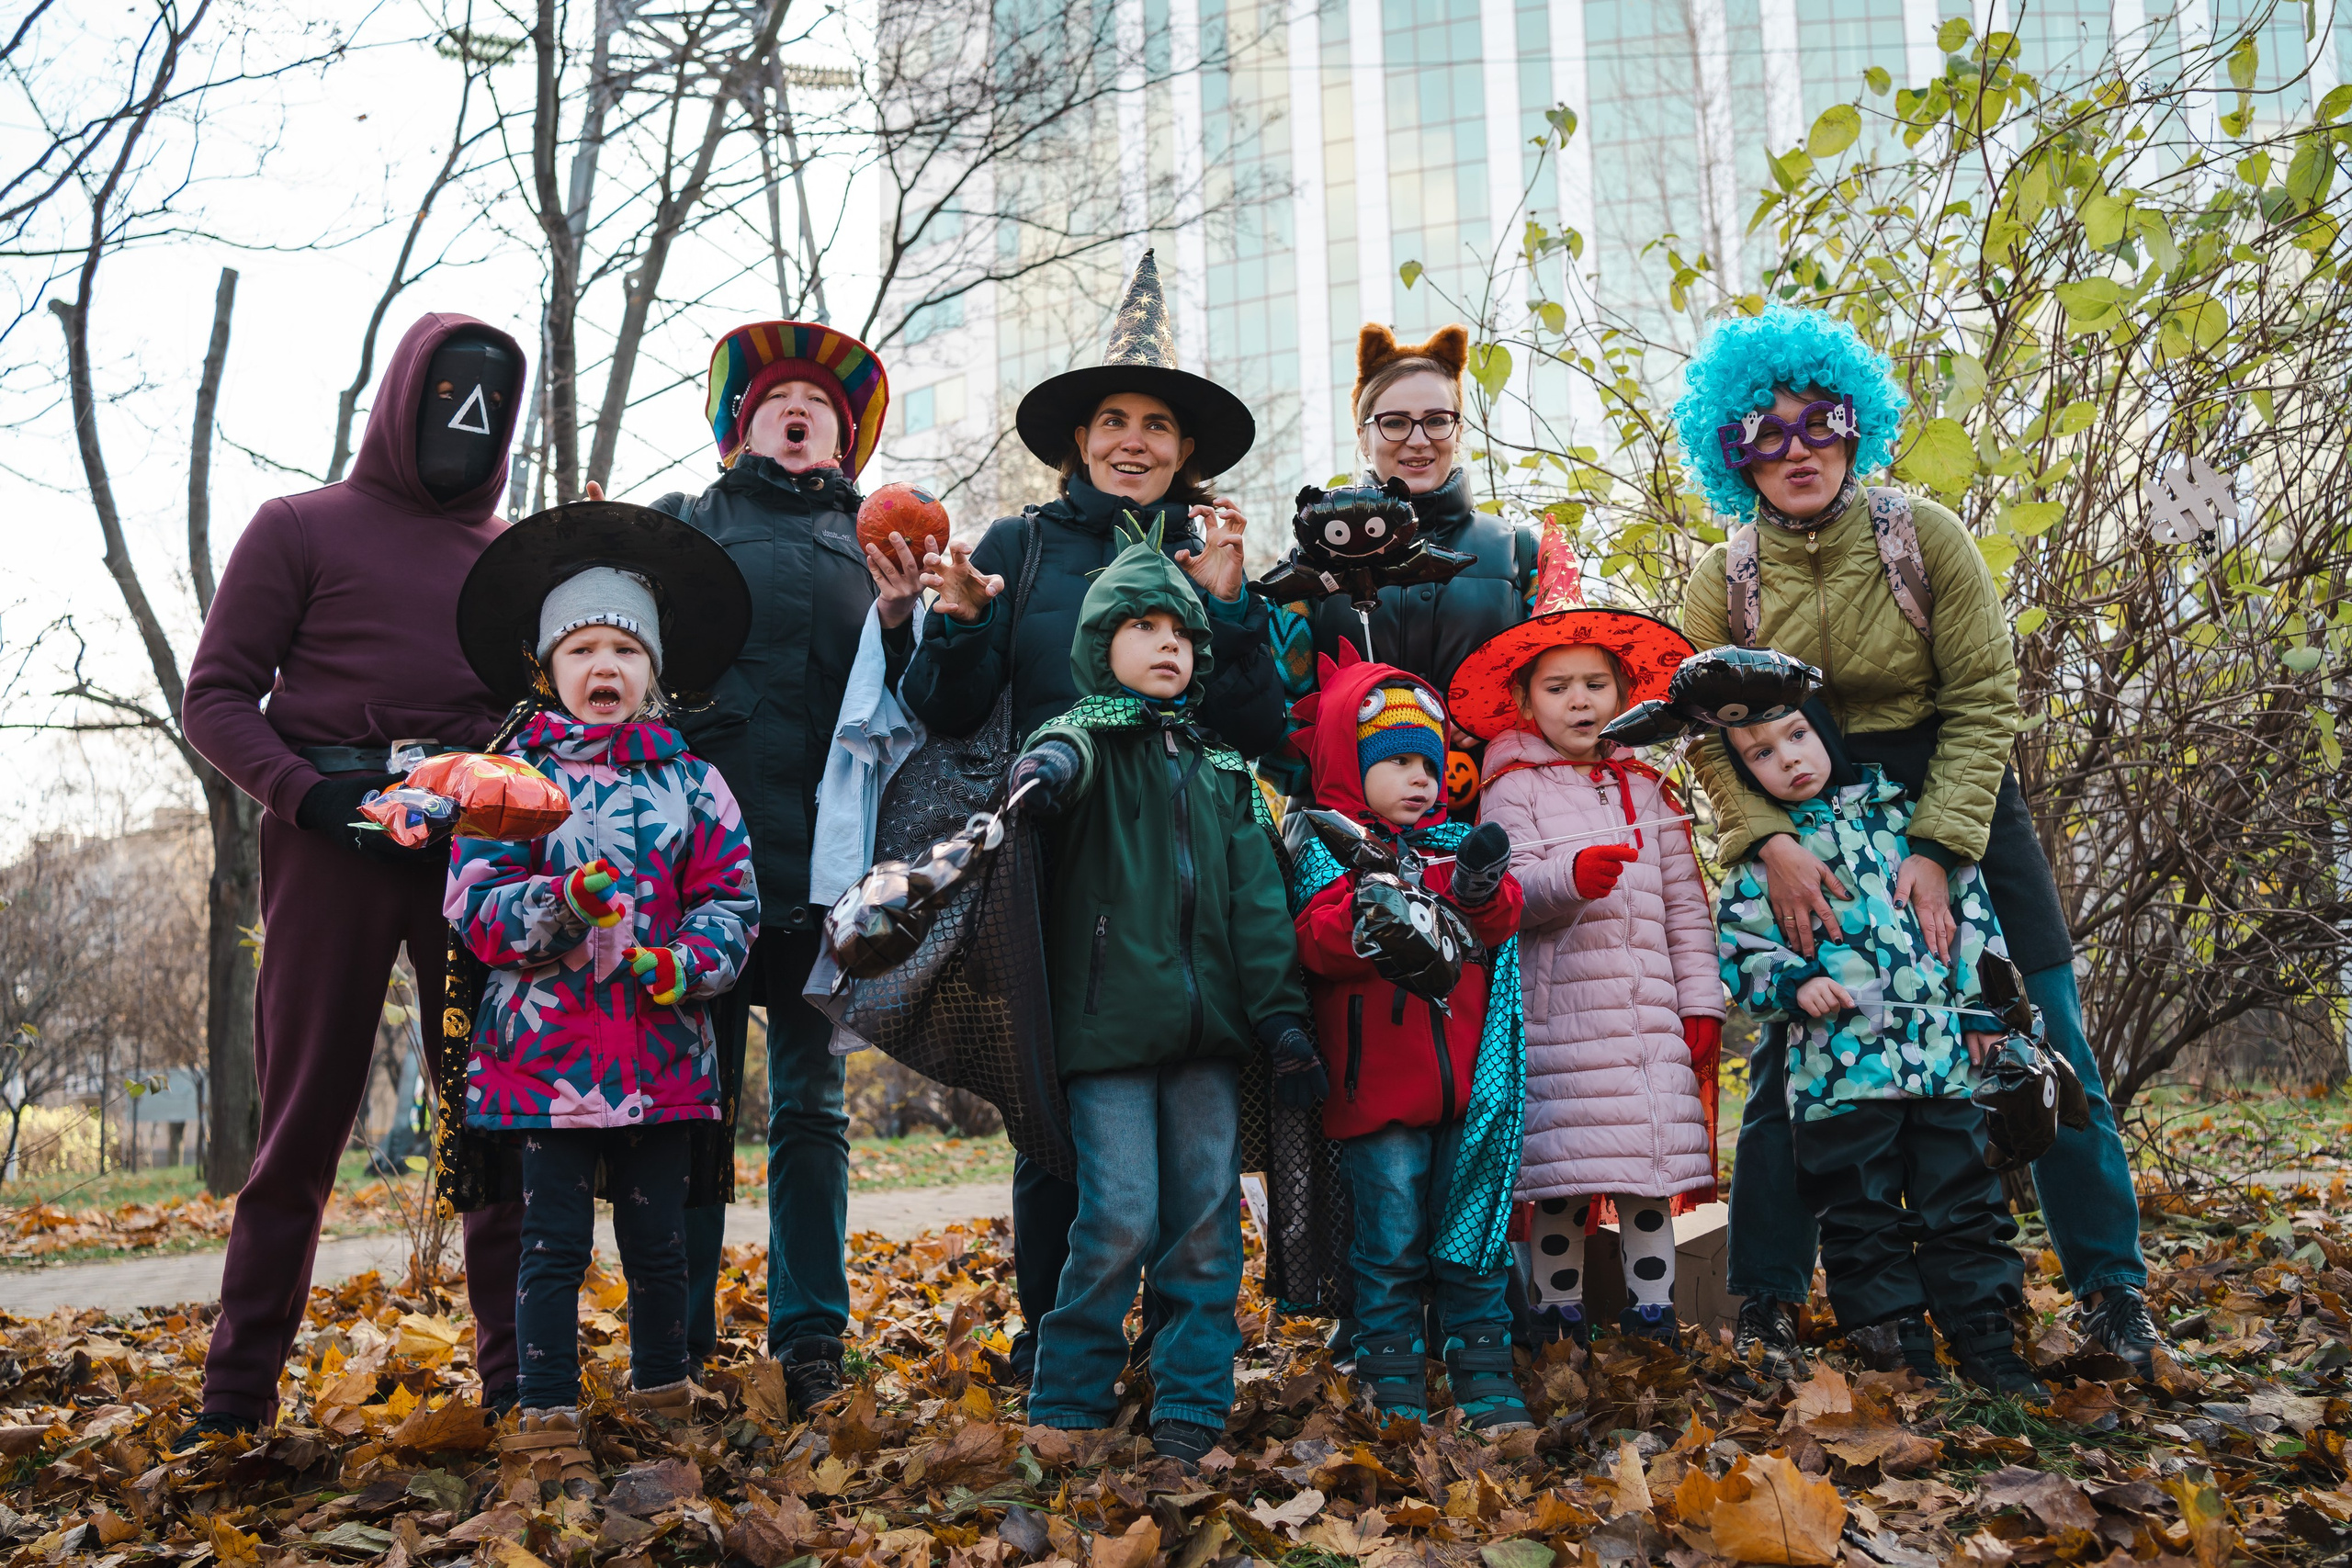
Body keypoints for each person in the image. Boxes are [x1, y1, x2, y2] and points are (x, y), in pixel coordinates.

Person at [1674, 304, 2162, 1381]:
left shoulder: (1920, 536)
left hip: (1958, 805)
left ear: (1858, 426)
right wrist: (1767, 844)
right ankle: (1761, 1298)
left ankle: (2111, 1294)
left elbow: (1988, 696)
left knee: (2042, 1041)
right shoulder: (1726, 577)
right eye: (1765, 434)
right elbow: (1705, 735)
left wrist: (1941, 846)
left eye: (1819, 423)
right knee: (1790, 1063)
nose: (1796, 451)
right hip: (1804, 835)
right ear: (1731, 453)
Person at [900, 252, 1285, 1382]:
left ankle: (1181, 1340)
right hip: (1054, 866)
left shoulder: (1202, 556)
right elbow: (944, 708)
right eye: (1112, 420)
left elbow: (1256, 726)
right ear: (1078, 440)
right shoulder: (1019, 548)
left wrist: (1227, 605)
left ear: (1184, 449)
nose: (1133, 440)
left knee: (1183, 1123)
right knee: (1056, 1119)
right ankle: (1056, 1337)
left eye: (1157, 424)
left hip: (1179, 874)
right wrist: (962, 622)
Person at [178, 313, 527, 1438]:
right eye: (446, 397)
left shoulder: (510, 559)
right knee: (303, 1119)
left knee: (491, 1115)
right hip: (328, 841)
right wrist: (319, 801)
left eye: (488, 405)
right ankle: (234, 1402)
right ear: (402, 396)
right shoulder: (299, 527)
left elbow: (540, 712)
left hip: (474, 853)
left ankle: (523, 1389)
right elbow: (218, 696)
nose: (464, 424)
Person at [445, 511, 759, 1471]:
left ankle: (664, 1388)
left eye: (624, 647)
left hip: (662, 1054)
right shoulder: (511, 782)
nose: (604, 665)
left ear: (653, 670)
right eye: (583, 647)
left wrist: (682, 964)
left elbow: (731, 901)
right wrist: (563, 901)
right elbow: (475, 905)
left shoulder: (695, 783)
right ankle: (544, 1407)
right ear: (551, 669)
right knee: (551, 1244)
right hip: (545, 1063)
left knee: (660, 1242)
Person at [997, 519, 1307, 1469]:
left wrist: (1282, 1016)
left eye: (1180, 632)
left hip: (1208, 1035)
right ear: (1102, 648)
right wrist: (1040, 776)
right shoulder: (1080, 740)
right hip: (1107, 1034)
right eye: (1142, 629)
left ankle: (1191, 1404)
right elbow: (1053, 765)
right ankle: (1070, 1399)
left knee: (1207, 1226)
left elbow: (1259, 904)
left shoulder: (1220, 771)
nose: (1166, 643)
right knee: (1119, 1216)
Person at [646, 320, 911, 1412]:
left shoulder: (887, 542)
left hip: (828, 874)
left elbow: (923, 697)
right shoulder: (682, 525)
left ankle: (811, 1338)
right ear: (736, 430)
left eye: (822, 411)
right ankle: (683, 1330)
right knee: (692, 1107)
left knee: (810, 1109)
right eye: (773, 404)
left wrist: (910, 611)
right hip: (696, 871)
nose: (798, 415)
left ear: (845, 447)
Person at [1713, 700, 2039, 1393]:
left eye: (1798, 736)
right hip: (1840, 1075)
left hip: (1942, 1062)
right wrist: (1797, 984)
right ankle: (1898, 1347)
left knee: (1964, 1199)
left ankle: (1985, 1334)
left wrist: (1985, 1010)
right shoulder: (1763, 863)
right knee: (1861, 1213)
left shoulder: (1909, 822)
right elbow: (1741, 950)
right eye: (1761, 753)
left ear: (1826, 730)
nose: (1790, 759)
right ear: (1743, 773)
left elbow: (1972, 911)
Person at [1448, 536, 1718, 1348]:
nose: (1580, 700)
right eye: (1557, 686)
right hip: (1560, 1018)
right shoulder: (1511, 785)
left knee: (1648, 1173)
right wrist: (1576, 873)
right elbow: (1513, 887)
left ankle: (1652, 1312)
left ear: (1624, 691)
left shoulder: (1649, 788)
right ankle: (1556, 1311)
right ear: (1527, 701)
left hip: (1649, 1024)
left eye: (1596, 683)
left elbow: (1683, 909)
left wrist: (1701, 1004)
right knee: (1561, 1177)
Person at [1284, 644, 1532, 1430]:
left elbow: (1500, 919)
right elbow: (1316, 942)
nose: (1421, 778)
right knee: (1389, 1245)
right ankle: (1392, 1385)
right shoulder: (1324, 851)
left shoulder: (1450, 845)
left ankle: (1484, 1374)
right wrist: (1377, 899)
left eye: (1430, 762)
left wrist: (1475, 885)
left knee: (1471, 1236)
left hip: (1468, 1088)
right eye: (1396, 762)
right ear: (1347, 763)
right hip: (1377, 1097)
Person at [1262, 323, 1538, 801]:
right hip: (1347, 839)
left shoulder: (1519, 552)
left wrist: (1504, 713)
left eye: (1436, 420)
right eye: (1395, 422)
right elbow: (1275, 714)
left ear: (1458, 428)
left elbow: (1564, 684)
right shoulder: (1306, 566)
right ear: (1364, 434)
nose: (1418, 440)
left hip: (1497, 816)